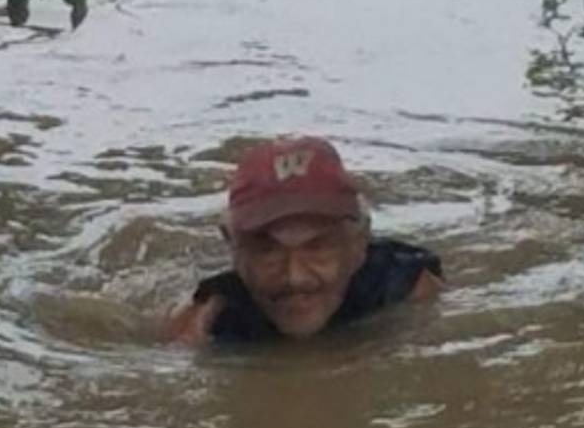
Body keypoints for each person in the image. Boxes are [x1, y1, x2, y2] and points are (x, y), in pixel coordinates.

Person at [164, 136, 443, 345]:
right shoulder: (207, 321)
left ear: (358, 245)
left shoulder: (403, 287)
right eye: (267, 250)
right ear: (233, 247)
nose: (295, 277)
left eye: (317, 247)